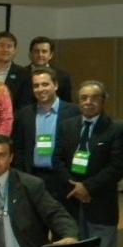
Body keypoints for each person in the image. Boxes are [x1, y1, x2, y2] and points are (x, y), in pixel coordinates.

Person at [54, 81, 123, 247]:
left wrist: (88, 187)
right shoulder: (67, 126)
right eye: (84, 97)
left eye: (94, 98)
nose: (88, 102)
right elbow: (57, 160)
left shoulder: (116, 128)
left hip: (100, 202)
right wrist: (75, 187)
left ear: (103, 101)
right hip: (72, 201)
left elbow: (117, 166)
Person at [12, 67, 80, 202]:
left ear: (55, 85)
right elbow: (18, 149)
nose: (40, 89)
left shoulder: (74, 112)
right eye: (36, 86)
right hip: (33, 178)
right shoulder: (24, 115)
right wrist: (22, 177)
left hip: (64, 180)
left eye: (45, 84)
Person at [0, 31, 31, 110]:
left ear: (15, 51)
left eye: (9, 46)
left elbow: (25, 106)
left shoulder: (24, 74)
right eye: (1, 45)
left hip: (14, 117)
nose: (5, 49)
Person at [28, 36, 72, 103]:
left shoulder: (63, 76)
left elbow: (67, 103)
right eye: (36, 51)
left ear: (51, 55)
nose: (40, 55)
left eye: (44, 51)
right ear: (30, 54)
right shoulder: (21, 74)